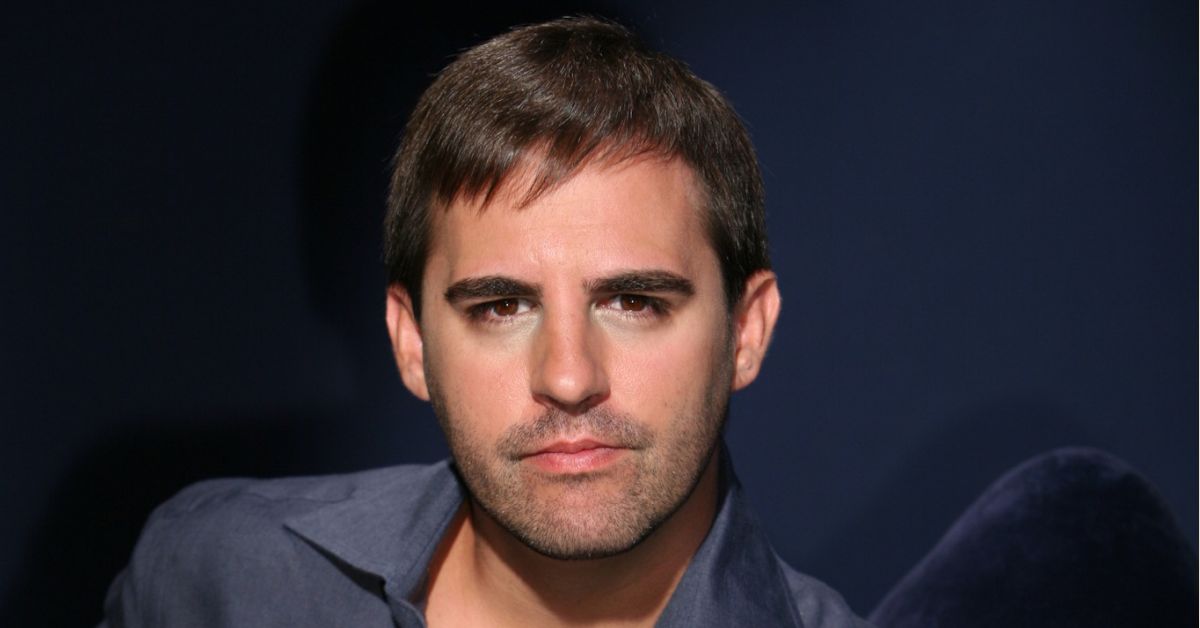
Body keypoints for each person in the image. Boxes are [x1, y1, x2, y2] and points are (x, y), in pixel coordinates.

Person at [101, 16, 869, 627]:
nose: (568, 377)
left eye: (633, 302)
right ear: (410, 341)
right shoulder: (217, 580)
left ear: (746, 331)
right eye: (502, 307)